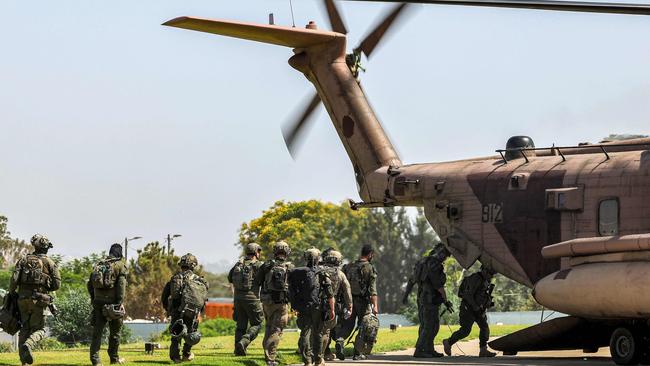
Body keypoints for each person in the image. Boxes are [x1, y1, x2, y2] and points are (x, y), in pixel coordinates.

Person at [9, 234, 61, 366]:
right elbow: (57, 285)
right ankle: (28, 344)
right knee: (40, 329)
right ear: (46, 248)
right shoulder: (49, 262)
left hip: (22, 299)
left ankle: (24, 362)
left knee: (25, 328)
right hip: (39, 300)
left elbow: (14, 280)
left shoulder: (23, 260)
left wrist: (12, 294)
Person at [402, 243, 451, 358]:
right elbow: (438, 285)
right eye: (446, 255)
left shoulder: (422, 262)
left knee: (427, 325)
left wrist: (406, 296)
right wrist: (446, 300)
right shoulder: (435, 264)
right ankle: (419, 350)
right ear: (441, 252)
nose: (445, 258)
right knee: (430, 326)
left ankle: (429, 349)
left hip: (422, 298)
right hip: (430, 299)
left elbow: (411, 280)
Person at [289, 248, 334, 366]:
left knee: (305, 333)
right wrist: (332, 310)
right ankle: (318, 360)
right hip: (317, 307)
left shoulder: (296, 272)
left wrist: (294, 306)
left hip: (302, 307)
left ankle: (307, 361)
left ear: (306, 258)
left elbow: (291, 291)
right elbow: (330, 294)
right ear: (318, 258)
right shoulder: (322, 272)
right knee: (318, 334)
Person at [162, 253, 209, 364]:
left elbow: (164, 296)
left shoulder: (174, 278)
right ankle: (186, 354)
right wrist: (200, 311)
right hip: (192, 312)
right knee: (191, 332)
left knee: (176, 333)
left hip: (176, 311)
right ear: (193, 266)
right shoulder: (199, 280)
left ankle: (175, 357)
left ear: (181, 265)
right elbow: (203, 298)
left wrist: (167, 308)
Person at [87, 243, 128, 366]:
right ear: (120, 254)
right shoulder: (120, 265)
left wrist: (94, 299)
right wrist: (119, 302)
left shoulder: (98, 265)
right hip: (113, 304)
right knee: (115, 333)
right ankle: (114, 358)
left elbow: (89, 285)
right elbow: (121, 286)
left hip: (98, 303)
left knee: (97, 333)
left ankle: (95, 360)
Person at [443, 265, 497, 357]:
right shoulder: (475, 278)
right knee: (465, 330)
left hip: (478, 308)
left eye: (492, 274)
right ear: (484, 270)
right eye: (490, 273)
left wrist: (485, 304)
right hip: (468, 308)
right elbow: (468, 295)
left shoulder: (485, 281)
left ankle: (483, 349)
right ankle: (448, 342)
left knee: (484, 327)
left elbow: (482, 295)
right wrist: (476, 307)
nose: (491, 276)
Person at [335, 244, 378, 361]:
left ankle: (340, 340)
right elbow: (373, 290)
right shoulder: (369, 268)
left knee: (347, 325)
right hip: (362, 302)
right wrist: (375, 307)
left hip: (347, 301)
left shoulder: (347, 266)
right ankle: (357, 353)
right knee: (363, 326)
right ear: (370, 254)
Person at [256, 241, 294, 366]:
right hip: (282, 303)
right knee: (276, 330)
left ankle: (266, 355)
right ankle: (271, 358)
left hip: (267, 302)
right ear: (287, 251)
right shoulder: (290, 267)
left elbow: (257, 281)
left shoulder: (266, 265)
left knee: (268, 327)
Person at [228, 242, 264, 356]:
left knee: (240, 325)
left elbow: (230, 278)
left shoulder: (238, 264)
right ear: (256, 252)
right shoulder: (258, 265)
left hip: (238, 300)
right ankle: (244, 341)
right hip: (252, 300)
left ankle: (238, 350)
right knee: (257, 324)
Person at [320, 249, 352, 363]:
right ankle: (323, 354)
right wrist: (350, 306)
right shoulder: (340, 273)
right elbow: (347, 290)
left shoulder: (318, 270)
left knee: (315, 329)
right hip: (331, 306)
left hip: (316, 304)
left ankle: (317, 353)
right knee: (326, 331)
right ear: (338, 260)